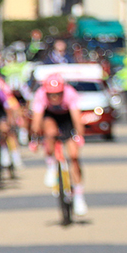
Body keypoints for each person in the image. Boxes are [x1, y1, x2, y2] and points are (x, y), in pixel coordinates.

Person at [30, 73, 87, 216]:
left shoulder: (70, 94)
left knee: (74, 157)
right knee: (50, 131)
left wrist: (79, 135)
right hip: (50, 117)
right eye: (51, 95)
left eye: (58, 94)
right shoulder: (40, 95)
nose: (54, 98)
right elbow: (36, 122)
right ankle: (50, 164)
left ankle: (79, 196)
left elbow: (76, 118)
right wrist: (34, 139)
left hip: (66, 118)